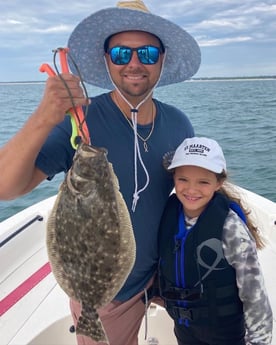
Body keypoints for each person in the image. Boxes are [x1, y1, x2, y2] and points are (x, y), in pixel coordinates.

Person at [0, 1, 201, 344]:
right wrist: (45, 116)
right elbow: (6, 187)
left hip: (163, 274)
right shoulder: (79, 120)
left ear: (162, 60)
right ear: (107, 60)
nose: (134, 63)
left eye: (148, 53)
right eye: (122, 53)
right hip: (108, 292)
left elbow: (188, 194)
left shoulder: (179, 124)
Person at [158, 137, 273, 345]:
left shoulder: (230, 228)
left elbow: (254, 295)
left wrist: (259, 341)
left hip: (225, 335)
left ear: (218, 183)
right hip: (185, 333)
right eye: (183, 179)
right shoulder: (169, 215)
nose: (191, 190)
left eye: (203, 182)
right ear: (173, 178)